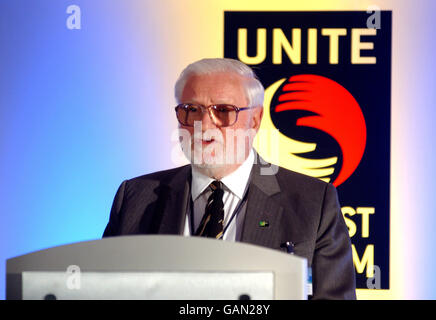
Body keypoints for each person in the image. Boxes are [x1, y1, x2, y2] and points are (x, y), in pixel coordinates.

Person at [103, 58, 356, 299]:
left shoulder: (313, 203)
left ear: (255, 120)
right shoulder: (135, 196)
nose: (204, 125)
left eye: (223, 111)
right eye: (191, 110)